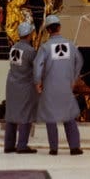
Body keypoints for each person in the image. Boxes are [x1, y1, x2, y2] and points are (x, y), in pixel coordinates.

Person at [34, 14, 83, 155]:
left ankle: (53, 148)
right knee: (69, 116)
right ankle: (74, 147)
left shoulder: (45, 47)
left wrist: (37, 82)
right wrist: (73, 79)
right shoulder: (71, 45)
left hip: (50, 88)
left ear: (48, 30)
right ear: (59, 27)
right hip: (66, 87)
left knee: (51, 118)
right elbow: (79, 61)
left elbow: (38, 66)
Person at [4, 21, 38, 154]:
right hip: (24, 86)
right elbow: (37, 68)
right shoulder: (30, 51)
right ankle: (22, 145)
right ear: (29, 34)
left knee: (11, 114)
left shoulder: (13, 48)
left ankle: (8, 145)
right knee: (25, 114)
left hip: (12, 84)